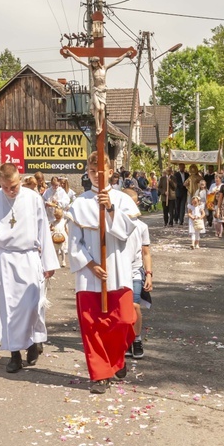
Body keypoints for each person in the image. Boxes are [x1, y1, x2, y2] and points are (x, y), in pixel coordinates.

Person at [67, 151, 139, 394]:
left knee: (124, 320)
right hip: (89, 276)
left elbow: (126, 232)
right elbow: (74, 243)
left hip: (118, 270)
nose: (96, 176)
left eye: (101, 171)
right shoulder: (79, 204)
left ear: (110, 172)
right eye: (91, 172)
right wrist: (90, 265)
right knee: (92, 326)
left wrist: (110, 209)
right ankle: (100, 374)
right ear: (87, 174)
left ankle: (117, 358)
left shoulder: (123, 200)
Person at [0, 163, 59, 373]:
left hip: (29, 256)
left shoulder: (33, 199)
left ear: (20, 179)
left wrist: (48, 262)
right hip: (5, 258)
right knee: (9, 309)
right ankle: (14, 354)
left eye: (13, 186)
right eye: (5, 187)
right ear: (0, 182)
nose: (10, 191)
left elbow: (43, 229)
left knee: (33, 305)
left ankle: (33, 341)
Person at [62, 48, 136, 134]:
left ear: (98, 62)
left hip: (103, 91)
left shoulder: (104, 68)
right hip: (96, 91)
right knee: (97, 108)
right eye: (92, 63)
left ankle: (101, 126)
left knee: (102, 109)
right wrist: (70, 53)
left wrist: (125, 54)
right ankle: (98, 127)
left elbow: (117, 60)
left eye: (95, 62)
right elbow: (79, 60)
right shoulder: (92, 69)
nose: (94, 64)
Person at [122, 188, 152, 360]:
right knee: (119, 308)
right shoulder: (112, 225)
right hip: (117, 272)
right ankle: (125, 339)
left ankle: (137, 339)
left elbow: (146, 252)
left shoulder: (142, 227)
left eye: (132, 203)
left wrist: (148, 274)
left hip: (134, 271)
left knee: (134, 306)